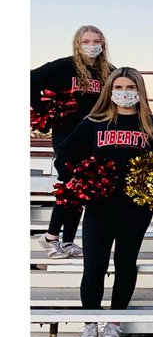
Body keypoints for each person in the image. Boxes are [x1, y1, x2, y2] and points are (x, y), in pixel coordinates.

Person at [56, 68, 153, 337]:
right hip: (99, 205)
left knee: (125, 263)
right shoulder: (93, 123)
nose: (125, 91)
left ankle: (115, 321)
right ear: (109, 90)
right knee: (94, 265)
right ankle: (90, 323)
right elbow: (65, 156)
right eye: (119, 86)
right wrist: (81, 179)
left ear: (139, 90)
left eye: (131, 86)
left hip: (136, 207)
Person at [32, 24, 112, 256]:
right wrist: (45, 109)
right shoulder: (62, 67)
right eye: (86, 42)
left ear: (103, 45)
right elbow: (30, 80)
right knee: (70, 183)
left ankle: (67, 241)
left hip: (93, 138)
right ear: (77, 44)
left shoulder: (108, 71)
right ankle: (50, 237)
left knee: (85, 186)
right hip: (67, 137)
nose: (91, 46)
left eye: (96, 42)